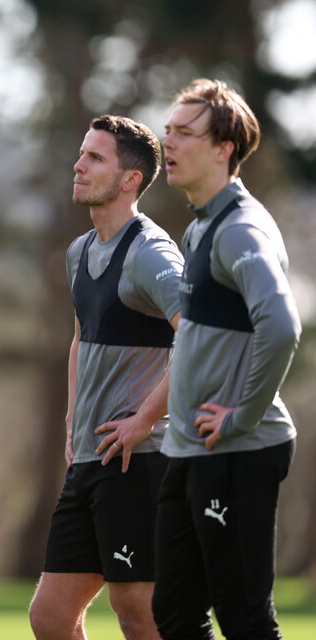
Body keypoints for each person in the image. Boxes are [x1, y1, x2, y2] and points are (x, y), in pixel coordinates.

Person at [152, 79, 300, 640]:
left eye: (185, 133)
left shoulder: (239, 230)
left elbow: (281, 325)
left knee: (244, 621)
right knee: (174, 614)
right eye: (168, 130)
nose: (169, 142)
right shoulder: (199, 229)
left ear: (224, 149)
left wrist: (241, 416)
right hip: (191, 449)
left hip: (239, 449)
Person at [28, 116, 183, 640]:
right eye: (81, 153)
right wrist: (74, 417)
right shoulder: (78, 252)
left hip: (141, 459)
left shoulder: (151, 253)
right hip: (91, 459)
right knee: (51, 617)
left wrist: (145, 418)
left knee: (137, 610)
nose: (78, 165)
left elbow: (201, 338)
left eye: (95, 158)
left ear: (130, 179)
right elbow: (81, 337)